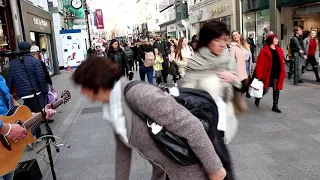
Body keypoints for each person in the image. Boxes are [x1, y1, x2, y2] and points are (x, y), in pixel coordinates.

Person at [72, 56, 227, 180]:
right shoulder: (112, 108)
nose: (82, 92)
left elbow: (190, 126)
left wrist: (215, 169)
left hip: (189, 170)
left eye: (83, 86)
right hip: (166, 170)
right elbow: (123, 151)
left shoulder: (139, 95)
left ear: (97, 84)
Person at [180, 20, 242, 179]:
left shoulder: (227, 59)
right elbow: (186, 93)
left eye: (224, 39)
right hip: (204, 123)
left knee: (215, 165)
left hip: (223, 119)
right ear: (207, 41)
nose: (222, 44)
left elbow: (239, 84)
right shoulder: (195, 62)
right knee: (222, 165)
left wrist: (232, 79)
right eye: (217, 40)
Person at [0, 74, 56, 180]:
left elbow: (15, 109)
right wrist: (8, 129)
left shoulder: (1, 79)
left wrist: (38, 115)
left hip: (7, 150)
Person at [7, 42, 49, 140]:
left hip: (23, 95)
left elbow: (10, 80)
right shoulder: (34, 61)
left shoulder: (13, 63)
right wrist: (44, 91)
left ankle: (38, 135)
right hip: (36, 93)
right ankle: (30, 134)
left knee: (29, 116)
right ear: (29, 49)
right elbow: (41, 78)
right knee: (38, 115)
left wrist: (7, 94)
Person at [254, 35, 286, 113]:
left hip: (277, 72)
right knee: (265, 89)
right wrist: (259, 75)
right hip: (267, 72)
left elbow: (281, 61)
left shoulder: (279, 50)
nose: (277, 40)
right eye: (275, 39)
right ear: (271, 40)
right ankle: (258, 98)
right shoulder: (264, 50)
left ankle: (275, 105)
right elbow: (260, 63)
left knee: (276, 88)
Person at [230, 31, 253, 97]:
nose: (235, 36)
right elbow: (231, 60)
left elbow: (249, 55)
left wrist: (251, 65)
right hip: (240, 67)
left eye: (236, 34)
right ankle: (238, 97)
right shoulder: (233, 46)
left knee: (246, 84)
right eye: (233, 36)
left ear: (239, 35)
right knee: (244, 83)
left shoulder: (245, 44)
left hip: (247, 66)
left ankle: (238, 97)